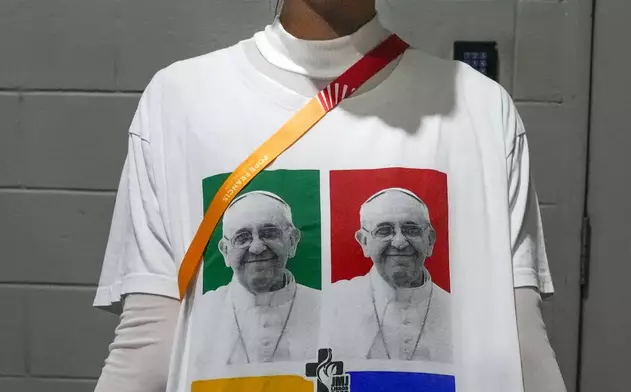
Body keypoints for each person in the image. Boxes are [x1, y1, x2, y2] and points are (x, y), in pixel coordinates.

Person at [93, 0, 568, 391]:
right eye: (384, 229)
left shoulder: (481, 109)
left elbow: (519, 336)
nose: (258, 247)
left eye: (410, 230)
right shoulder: (180, 101)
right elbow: (147, 343)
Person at [192, 191, 319, 368]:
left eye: (269, 233)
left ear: (292, 241)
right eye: (242, 238)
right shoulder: (201, 313)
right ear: (225, 251)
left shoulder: (325, 306)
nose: (257, 248)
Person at [324, 188, 451, 362]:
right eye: (384, 230)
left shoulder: (457, 310)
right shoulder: (332, 302)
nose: (399, 242)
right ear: (364, 242)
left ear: (429, 240)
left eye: (411, 230)